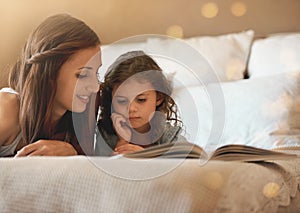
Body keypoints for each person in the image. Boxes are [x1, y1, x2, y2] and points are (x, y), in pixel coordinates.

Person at [0, 14, 101, 157]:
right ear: (49, 73)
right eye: (82, 75)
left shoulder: (83, 114)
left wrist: (72, 154)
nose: (95, 87)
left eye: (96, 74)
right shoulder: (7, 107)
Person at [95, 50, 185, 156]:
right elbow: (101, 171)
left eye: (141, 100)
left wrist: (146, 159)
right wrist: (122, 142)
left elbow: (185, 170)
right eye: (122, 101)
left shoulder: (171, 138)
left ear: (158, 98)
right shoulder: (106, 135)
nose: (131, 109)